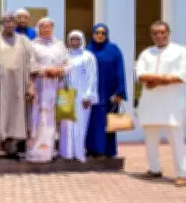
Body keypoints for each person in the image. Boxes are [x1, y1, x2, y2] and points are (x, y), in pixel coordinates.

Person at [135, 21, 186, 187]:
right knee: (150, 139)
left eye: (162, 32)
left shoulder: (181, 51)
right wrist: (163, 79)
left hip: (172, 103)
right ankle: (154, 169)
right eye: (155, 33)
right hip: (150, 103)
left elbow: (181, 76)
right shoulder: (146, 53)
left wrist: (157, 80)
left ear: (168, 33)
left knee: (176, 140)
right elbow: (140, 75)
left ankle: (182, 173)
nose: (159, 35)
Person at [0, 11, 35, 160]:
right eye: (6, 22)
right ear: (1, 23)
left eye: (12, 22)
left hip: (19, 85)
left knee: (16, 115)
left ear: (15, 24)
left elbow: (31, 63)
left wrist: (31, 85)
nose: (9, 24)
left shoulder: (24, 40)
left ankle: (12, 148)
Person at [27, 17, 67, 163]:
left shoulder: (59, 45)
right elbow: (30, 64)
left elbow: (68, 63)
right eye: (43, 27)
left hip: (56, 85)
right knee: (37, 117)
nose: (47, 29)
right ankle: (35, 153)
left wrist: (60, 70)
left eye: (49, 27)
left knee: (53, 119)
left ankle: (49, 152)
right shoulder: (33, 45)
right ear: (39, 29)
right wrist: (45, 70)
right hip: (39, 85)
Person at [85, 23, 127, 158]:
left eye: (103, 33)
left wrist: (120, 92)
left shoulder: (114, 50)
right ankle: (92, 150)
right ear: (92, 34)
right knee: (92, 122)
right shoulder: (87, 50)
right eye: (97, 32)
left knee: (108, 122)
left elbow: (120, 71)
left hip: (109, 92)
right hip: (91, 92)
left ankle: (108, 151)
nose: (100, 35)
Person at [59, 30, 98, 163]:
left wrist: (89, 96)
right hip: (65, 94)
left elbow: (92, 77)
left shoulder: (88, 56)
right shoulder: (65, 56)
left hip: (82, 95)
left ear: (82, 40)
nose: (75, 42)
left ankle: (78, 154)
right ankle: (66, 154)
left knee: (80, 125)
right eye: (72, 39)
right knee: (65, 125)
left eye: (77, 39)